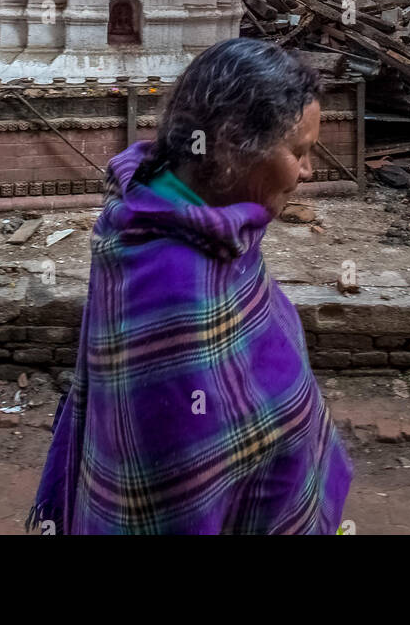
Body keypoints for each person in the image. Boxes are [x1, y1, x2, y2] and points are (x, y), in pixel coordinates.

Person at [28, 38, 352, 535]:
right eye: (299, 152)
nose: (308, 171)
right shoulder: (166, 278)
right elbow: (175, 482)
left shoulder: (215, 228)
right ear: (233, 146)